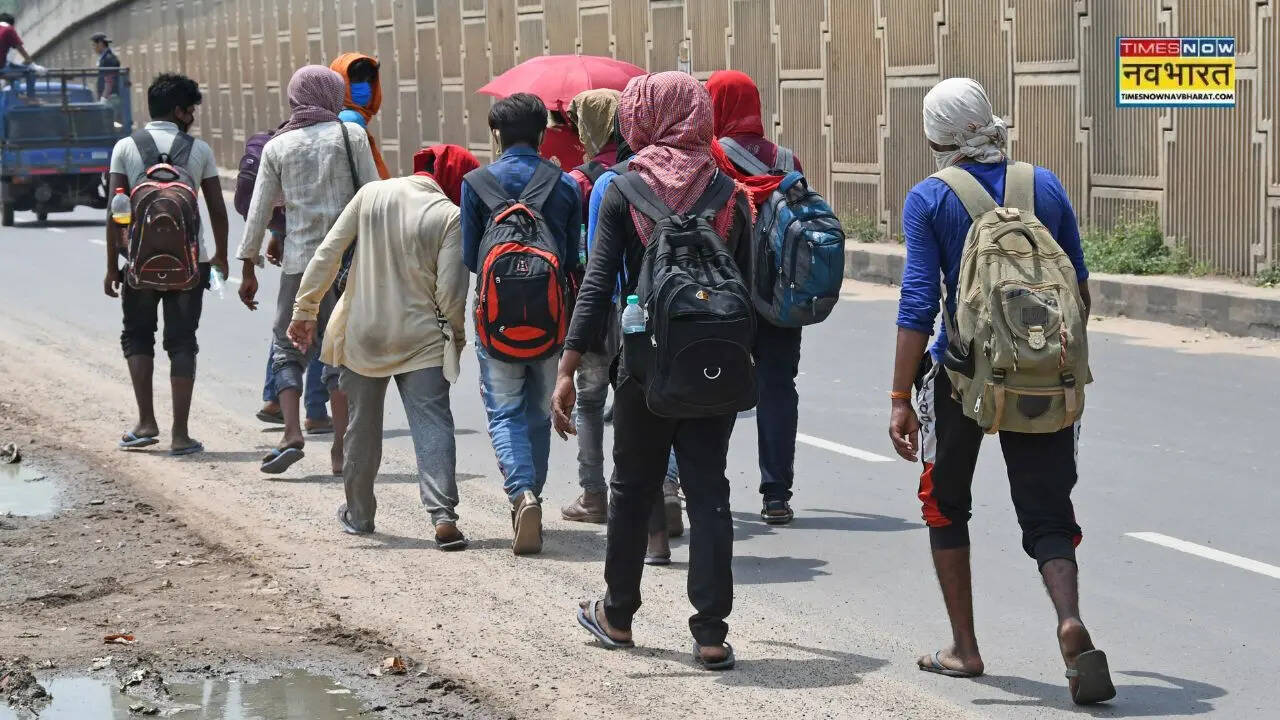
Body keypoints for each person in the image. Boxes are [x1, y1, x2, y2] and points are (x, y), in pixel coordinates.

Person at [887, 77, 1112, 704]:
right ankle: (1068, 620)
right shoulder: (1045, 185)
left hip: (960, 378)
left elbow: (917, 304)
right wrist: (1042, 358)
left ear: (936, 136)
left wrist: (900, 397)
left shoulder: (930, 198)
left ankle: (964, 647)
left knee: (945, 504)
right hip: (1040, 377)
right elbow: (1079, 290)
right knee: (1048, 512)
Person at [552, 71, 754, 669]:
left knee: (631, 486)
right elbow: (746, 289)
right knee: (709, 489)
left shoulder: (621, 188)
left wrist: (568, 366)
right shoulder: (730, 192)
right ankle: (711, 634)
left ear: (642, 117)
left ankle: (618, 615)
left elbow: (597, 286)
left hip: (643, 365)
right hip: (713, 365)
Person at [287, 144, 475, 546]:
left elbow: (329, 253)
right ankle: (443, 516)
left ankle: (359, 515)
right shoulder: (450, 216)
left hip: (364, 333)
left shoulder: (371, 194)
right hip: (423, 340)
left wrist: (305, 309)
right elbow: (451, 294)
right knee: (432, 423)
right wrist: (455, 341)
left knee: (362, 426)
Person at [236, 65, 378, 475]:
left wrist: (248, 267)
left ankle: (291, 433)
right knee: (340, 352)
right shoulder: (352, 136)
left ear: (295, 98)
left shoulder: (278, 146)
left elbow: (260, 211)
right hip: (347, 264)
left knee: (287, 346)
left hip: (299, 264)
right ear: (334, 95)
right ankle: (340, 450)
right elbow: (373, 195)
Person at [459, 92, 582, 555]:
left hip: (496, 323)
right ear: (543, 133)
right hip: (552, 320)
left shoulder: (475, 183)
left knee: (505, 410)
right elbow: (570, 256)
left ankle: (521, 493)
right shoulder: (565, 184)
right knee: (540, 410)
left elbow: (472, 257)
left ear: (497, 135)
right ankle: (535, 496)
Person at [570, 115, 685, 554]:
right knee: (670, 406)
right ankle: (669, 489)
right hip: (686, 317)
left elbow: (598, 270)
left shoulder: (612, 184)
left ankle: (604, 501)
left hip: (626, 315)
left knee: (616, 413)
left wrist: (570, 354)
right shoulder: (704, 178)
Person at [104, 72, 228, 456]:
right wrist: (220, 256)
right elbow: (217, 209)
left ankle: (145, 424)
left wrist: (111, 266)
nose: (192, 117)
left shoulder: (125, 147)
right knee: (182, 341)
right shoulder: (199, 150)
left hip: (138, 264)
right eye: (190, 110)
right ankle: (180, 434)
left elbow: (116, 212)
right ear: (178, 111)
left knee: (137, 336)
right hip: (191, 264)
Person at [706, 69, 806, 525]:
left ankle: (709, 485)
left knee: (716, 385)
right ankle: (777, 495)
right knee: (778, 386)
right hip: (781, 294)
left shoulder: (711, 158)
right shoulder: (786, 159)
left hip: (727, 293)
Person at [559, 89, 620, 525]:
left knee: (591, 400)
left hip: (593, 306)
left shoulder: (579, 181)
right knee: (650, 401)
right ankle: (662, 491)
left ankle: (593, 495)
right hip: (641, 306)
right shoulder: (648, 172)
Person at [330, 53, 390, 180]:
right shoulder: (351, 118)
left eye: (369, 80)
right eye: (358, 81)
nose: (366, 87)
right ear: (340, 83)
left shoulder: (336, 114)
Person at [0, 13, 44, 97]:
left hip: (4, 65)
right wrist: (33, 64)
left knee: (13, 73)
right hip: (1, 67)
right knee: (30, 72)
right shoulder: (8, 29)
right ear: (11, 23)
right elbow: (19, 48)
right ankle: (31, 98)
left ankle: (18, 94)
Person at [91, 32, 121, 101]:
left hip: (110, 99)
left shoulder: (109, 59)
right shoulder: (105, 58)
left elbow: (109, 81)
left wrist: (104, 97)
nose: (93, 48)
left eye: (94, 45)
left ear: (100, 44)